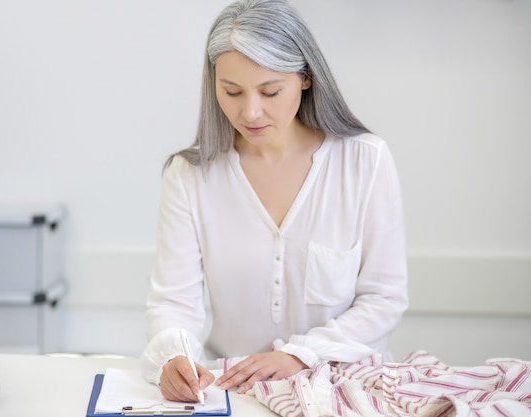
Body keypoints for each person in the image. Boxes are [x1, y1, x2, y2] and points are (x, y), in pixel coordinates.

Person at [141, 0, 408, 404]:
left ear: (305, 78)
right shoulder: (191, 175)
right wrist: (173, 355)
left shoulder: (364, 161)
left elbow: (384, 299)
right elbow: (174, 302)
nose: (249, 111)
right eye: (231, 91)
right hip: (234, 393)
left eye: (270, 91)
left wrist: (300, 355)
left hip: (348, 389)